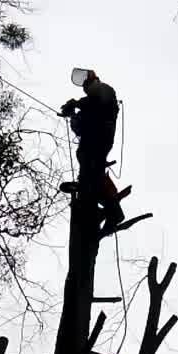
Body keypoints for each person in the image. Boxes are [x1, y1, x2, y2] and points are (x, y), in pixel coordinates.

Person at [59, 69, 125, 233]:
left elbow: (95, 101)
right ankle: (107, 208)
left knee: (92, 167)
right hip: (91, 142)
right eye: (85, 88)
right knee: (90, 170)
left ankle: (114, 211)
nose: (87, 89)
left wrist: (75, 103)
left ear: (95, 82)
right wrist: (73, 115)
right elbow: (79, 128)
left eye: (89, 85)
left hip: (101, 137)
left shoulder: (105, 90)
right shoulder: (89, 104)